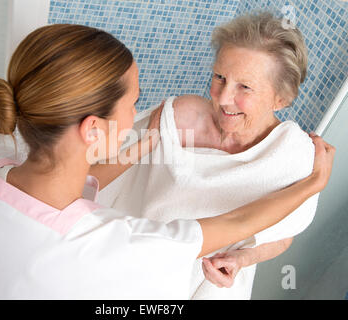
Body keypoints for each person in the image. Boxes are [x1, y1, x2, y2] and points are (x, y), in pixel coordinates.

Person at [0, 24, 335, 299]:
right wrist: (314, 184)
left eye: (245, 87)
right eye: (133, 103)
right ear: (93, 129)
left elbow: (62, 185)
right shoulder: (121, 244)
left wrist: (146, 141)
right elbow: (234, 223)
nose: (222, 97)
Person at [91, 13, 329, 299]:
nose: (223, 97)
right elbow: (100, 167)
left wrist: (241, 259)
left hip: (208, 283)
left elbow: (282, 234)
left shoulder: (291, 157)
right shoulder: (180, 117)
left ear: (282, 98)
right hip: (138, 262)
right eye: (220, 77)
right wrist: (150, 138)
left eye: (245, 87)